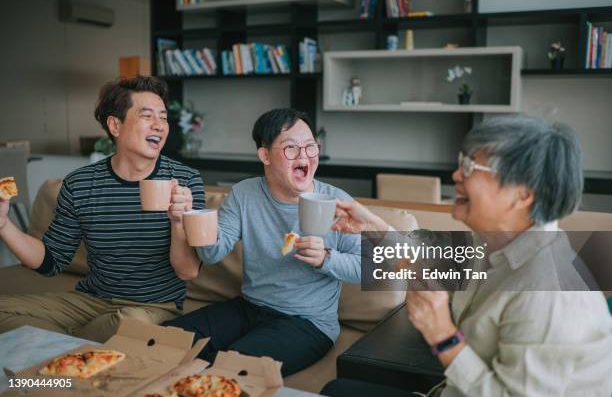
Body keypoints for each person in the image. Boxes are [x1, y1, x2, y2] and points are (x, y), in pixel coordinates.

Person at [322, 116, 612, 396]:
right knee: (335, 388)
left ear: (523, 195)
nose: (456, 175)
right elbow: (426, 260)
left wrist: (442, 335)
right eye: (463, 162)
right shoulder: (494, 242)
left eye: (471, 167)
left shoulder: (547, 292)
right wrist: (371, 225)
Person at [0, 76, 205, 342]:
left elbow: (188, 272)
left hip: (152, 308)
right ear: (115, 125)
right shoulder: (80, 184)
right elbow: (51, 261)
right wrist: (5, 226)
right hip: (90, 301)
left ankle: (63, 346)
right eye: (147, 115)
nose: (159, 125)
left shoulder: (185, 181)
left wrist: (178, 222)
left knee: (129, 324)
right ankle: (79, 348)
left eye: (163, 117)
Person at [163, 108, 360, 376]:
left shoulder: (338, 202)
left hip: (307, 324)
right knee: (163, 344)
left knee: (223, 371)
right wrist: (189, 217)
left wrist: (327, 258)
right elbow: (211, 254)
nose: (304, 156)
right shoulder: (244, 193)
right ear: (264, 155)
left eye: (311, 147)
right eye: (291, 148)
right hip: (249, 308)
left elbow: (371, 266)